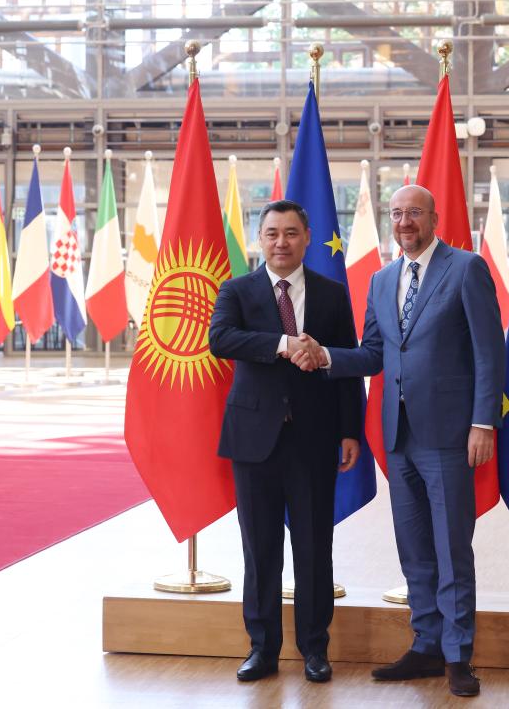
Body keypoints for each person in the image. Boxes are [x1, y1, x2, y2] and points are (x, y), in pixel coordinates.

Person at [292, 184, 505, 697]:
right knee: (413, 548)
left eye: (413, 213)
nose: (404, 221)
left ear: (434, 217)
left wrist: (484, 422)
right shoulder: (383, 280)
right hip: (398, 436)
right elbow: (372, 352)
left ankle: (459, 656)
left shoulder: (466, 269)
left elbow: (489, 352)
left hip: (451, 434)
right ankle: (426, 643)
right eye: (396, 214)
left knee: (453, 547)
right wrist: (327, 357)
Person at [208, 199, 363, 684]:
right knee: (261, 548)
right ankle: (263, 648)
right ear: (260, 239)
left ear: (307, 237)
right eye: (272, 233)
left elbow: (347, 365)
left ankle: (315, 648)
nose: (281, 242)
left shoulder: (333, 295)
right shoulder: (236, 290)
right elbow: (221, 339)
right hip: (254, 441)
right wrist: (282, 344)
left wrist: (349, 430)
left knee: (315, 546)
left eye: (291, 233)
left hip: (314, 440)